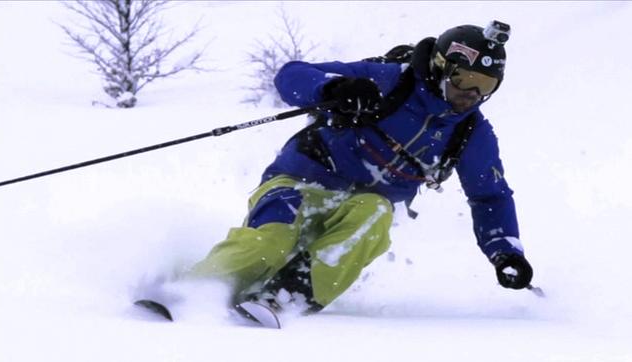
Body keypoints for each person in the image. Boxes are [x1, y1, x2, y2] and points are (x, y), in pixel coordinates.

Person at [190, 20, 534, 316]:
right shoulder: (388, 81)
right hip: (302, 179)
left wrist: (505, 253)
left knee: (375, 215)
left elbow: (490, 196)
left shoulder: (470, 132)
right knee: (273, 238)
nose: (472, 93)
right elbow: (291, 75)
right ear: (441, 66)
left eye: (486, 86)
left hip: (365, 203)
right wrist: (333, 88)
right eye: (464, 79)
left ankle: (285, 298)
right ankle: (194, 294)